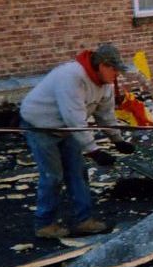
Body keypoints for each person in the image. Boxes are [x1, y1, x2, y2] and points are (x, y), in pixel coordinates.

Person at [19, 43, 136, 238]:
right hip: (40, 125)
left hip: (67, 128)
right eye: (114, 70)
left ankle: (84, 220)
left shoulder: (105, 84)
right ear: (102, 65)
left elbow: (105, 114)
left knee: (78, 173)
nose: (116, 75)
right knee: (53, 176)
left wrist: (117, 139)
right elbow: (74, 117)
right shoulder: (71, 77)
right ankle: (44, 224)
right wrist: (94, 151)